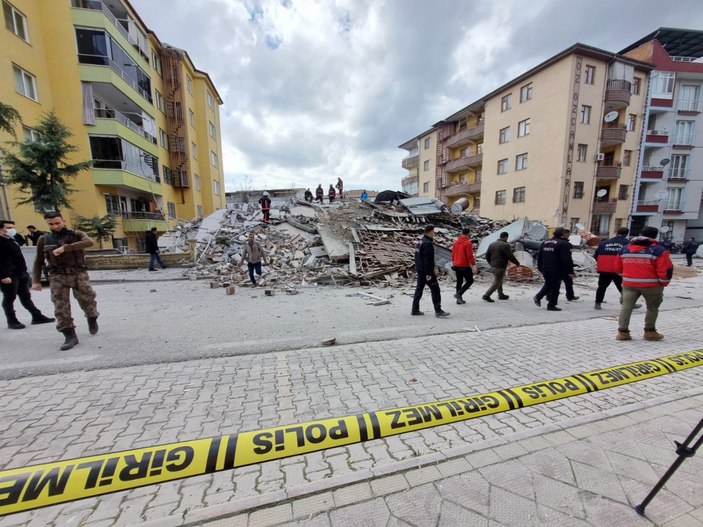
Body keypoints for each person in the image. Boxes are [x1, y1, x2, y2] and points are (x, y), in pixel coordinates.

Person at [31, 211, 99, 350]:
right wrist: (36, 280)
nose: (55, 226)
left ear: (63, 221)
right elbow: (38, 261)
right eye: (51, 224)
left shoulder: (76, 234)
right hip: (57, 275)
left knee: (87, 299)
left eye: (57, 223)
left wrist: (65, 248)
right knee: (60, 307)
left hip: (78, 273)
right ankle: (69, 335)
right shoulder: (44, 239)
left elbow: (89, 242)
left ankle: (92, 317)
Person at [614, 226, 673, 341]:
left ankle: (623, 333)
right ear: (655, 236)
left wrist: (626, 277)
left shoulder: (625, 249)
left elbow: (618, 268)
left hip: (629, 284)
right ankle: (650, 332)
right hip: (652, 285)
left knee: (626, 307)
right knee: (652, 307)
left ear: (640, 234)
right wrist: (663, 283)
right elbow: (665, 270)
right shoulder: (659, 250)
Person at [0, 220, 54, 329]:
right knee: (9, 298)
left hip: (20, 273)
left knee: (26, 296)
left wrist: (24, 272)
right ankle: (12, 320)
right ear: (1, 229)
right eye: (9, 227)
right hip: (9, 275)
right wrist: (3, 275)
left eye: (13, 227)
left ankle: (36, 316)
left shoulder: (11, 240)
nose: (12, 229)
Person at [594, 227, 640, 310]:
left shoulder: (603, 243)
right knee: (623, 288)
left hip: (605, 269)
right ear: (627, 234)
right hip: (620, 270)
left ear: (616, 232)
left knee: (601, 287)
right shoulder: (628, 244)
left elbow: (596, 255)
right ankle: (630, 304)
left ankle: (598, 304)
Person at [411, 224, 449, 318]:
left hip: (420, 270)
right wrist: (429, 273)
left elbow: (417, 257)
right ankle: (438, 310)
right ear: (431, 231)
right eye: (434, 232)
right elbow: (428, 260)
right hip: (426, 271)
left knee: (419, 289)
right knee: (435, 289)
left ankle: (415, 309)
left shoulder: (420, 242)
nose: (434, 234)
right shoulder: (427, 243)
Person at [534, 227, 573, 311]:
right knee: (555, 287)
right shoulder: (563, 244)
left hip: (545, 268)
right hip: (557, 269)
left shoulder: (545, 242)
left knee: (548, 284)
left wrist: (540, 268)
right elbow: (566, 259)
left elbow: (540, 256)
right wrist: (570, 271)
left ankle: (538, 297)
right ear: (562, 234)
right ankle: (551, 304)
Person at [483, 231, 520, 302]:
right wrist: (517, 263)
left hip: (493, 265)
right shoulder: (505, 245)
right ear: (506, 237)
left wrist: (491, 263)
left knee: (499, 280)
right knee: (497, 281)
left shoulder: (492, 244)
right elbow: (510, 256)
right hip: (500, 266)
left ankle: (500, 294)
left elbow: (487, 255)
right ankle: (487, 295)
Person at [451, 227, 477, 304]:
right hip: (464, 265)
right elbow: (469, 255)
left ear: (462, 233)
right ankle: (459, 294)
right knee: (470, 281)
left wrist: (453, 263)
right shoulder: (468, 243)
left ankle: (458, 300)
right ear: (468, 234)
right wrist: (473, 265)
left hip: (456, 265)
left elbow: (452, 254)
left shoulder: (456, 242)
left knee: (459, 281)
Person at [560, 229, 580, 301]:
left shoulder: (555, 242)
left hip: (556, 266)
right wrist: (571, 270)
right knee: (568, 281)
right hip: (564, 267)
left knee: (556, 282)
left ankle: (549, 295)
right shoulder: (566, 244)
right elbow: (568, 258)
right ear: (564, 234)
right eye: (568, 234)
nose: (569, 236)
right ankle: (570, 296)